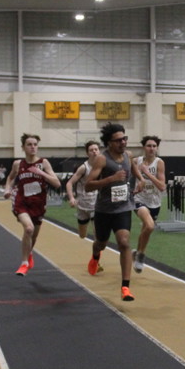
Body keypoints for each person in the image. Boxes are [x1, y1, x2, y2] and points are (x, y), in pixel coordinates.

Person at [85, 122, 145, 301]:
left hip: (123, 208)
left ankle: (125, 287)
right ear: (109, 143)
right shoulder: (102, 159)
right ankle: (95, 256)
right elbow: (88, 185)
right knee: (101, 243)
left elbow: (132, 166)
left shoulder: (128, 155)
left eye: (124, 138)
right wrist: (111, 179)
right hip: (104, 210)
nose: (123, 142)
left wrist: (140, 179)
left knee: (124, 242)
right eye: (118, 140)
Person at [3, 133, 61, 276]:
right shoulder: (18, 164)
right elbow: (10, 178)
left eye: (35, 144)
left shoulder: (43, 163)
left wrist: (41, 173)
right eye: (29, 144)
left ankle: (29, 254)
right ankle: (24, 263)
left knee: (33, 236)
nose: (33, 147)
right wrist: (7, 189)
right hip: (21, 201)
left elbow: (57, 183)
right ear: (23, 147)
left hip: (38, 204)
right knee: (28, 229)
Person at [131, 135, 167, 273]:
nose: (151, 148)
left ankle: (137, 253)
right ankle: (141, 256)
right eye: (149, 146)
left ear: (157, 148)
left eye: (154, 146)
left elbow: (162, 187)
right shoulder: (137, 161)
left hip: (155, 202)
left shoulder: (159, 163)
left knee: (146, 230)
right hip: (139, 199)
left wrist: (147, 173)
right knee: (150, 226)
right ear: (144, 147)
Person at [65, 140, 102, 244]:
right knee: (82, 235)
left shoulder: (103, 166)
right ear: (87, 153)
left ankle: (96, 253)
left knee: (97, 233)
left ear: (99, 151)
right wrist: (71, 198)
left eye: (96, 149)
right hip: (83, 205)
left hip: (96, 205)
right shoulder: (83, 168)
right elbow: (69, 183)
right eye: (91, 150)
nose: (94, 151)